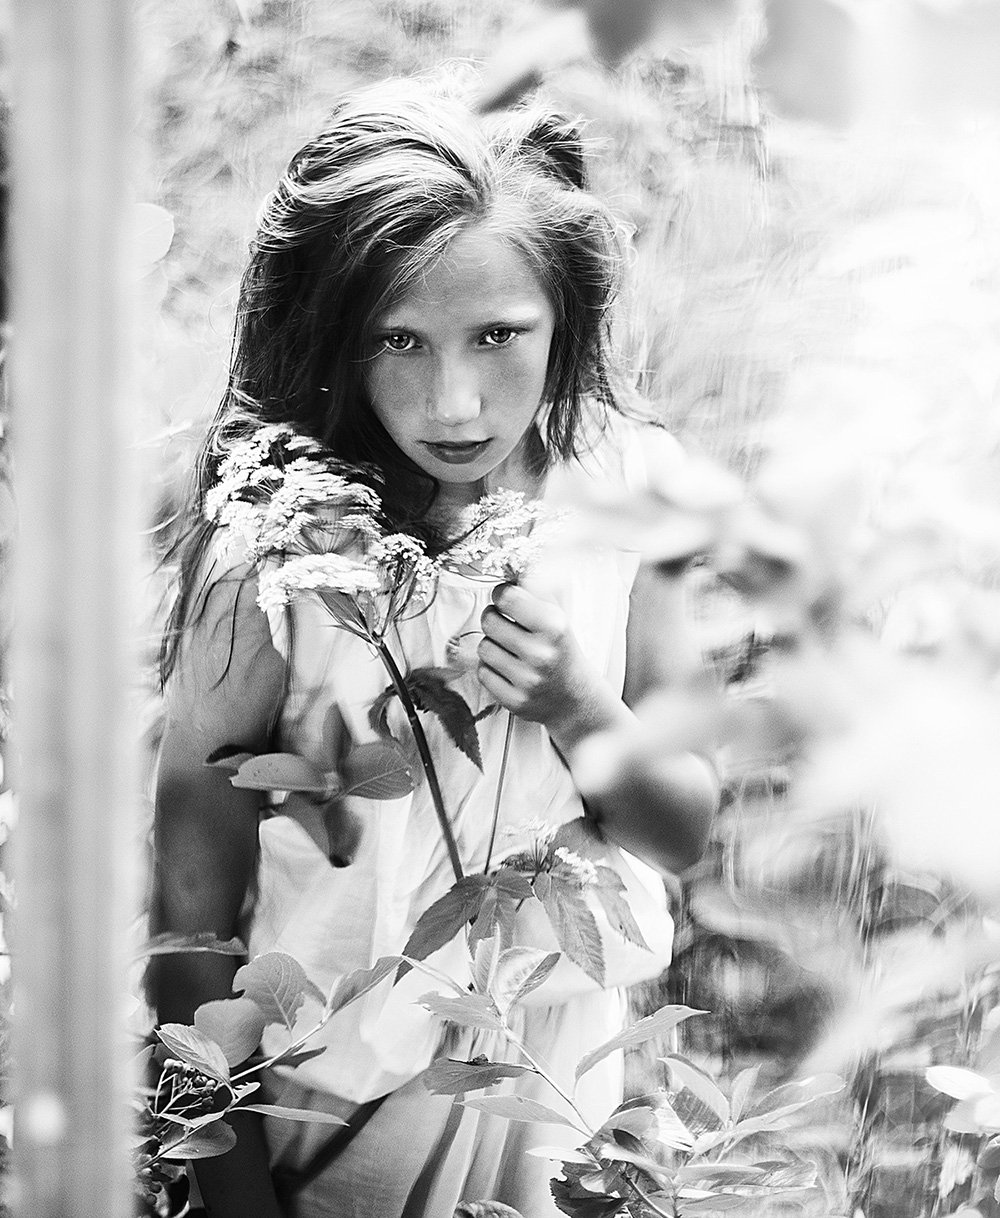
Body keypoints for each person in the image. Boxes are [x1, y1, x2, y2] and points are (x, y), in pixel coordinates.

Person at [148, 70, 718, 1218]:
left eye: (498, 336)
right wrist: (228, 1177)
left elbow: (682, 831)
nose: (452, 401)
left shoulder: (627, 493)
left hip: (553, 1084)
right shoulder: (277, 547)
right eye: (396, 341)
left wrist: (579, 709)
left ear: (566, 316)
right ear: (331, 335)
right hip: (324, 1100)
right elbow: (191, 894)